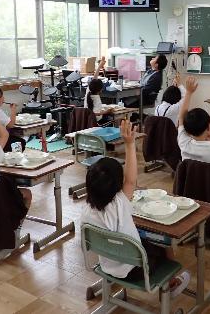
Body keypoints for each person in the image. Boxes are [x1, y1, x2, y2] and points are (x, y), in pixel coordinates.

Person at [81, 119, 190, 296]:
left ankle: (109, 284)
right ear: (118, 185)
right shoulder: (119, 203)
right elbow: (131, 180)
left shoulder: (86, 210)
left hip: (108, 264)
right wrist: (130, 144)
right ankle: (171, 284)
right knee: (163, 243)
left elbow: (129, 181)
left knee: (139, 239)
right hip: (135, 270)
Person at [84, 57, 113, 124]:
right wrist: (107, 111)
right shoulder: (96, 98)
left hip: (88, 121)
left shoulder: (88, 92)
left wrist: (100, 65)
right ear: (100, 90)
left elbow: (94, 78)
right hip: (96, 123)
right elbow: (95, 113)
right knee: (112, 121)